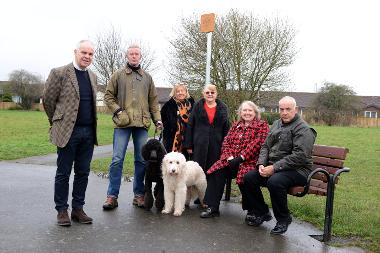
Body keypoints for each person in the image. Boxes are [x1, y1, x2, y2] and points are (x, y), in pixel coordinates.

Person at [43, 40, 98, 226]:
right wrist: (56, 121)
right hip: (68, 132)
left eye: (90, 54)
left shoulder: (93, 76)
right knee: (63, 172)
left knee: (83, 172)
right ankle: (61, 210)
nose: (87, 57)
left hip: (89, 132)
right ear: (76, 52)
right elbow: (48, 101)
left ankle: (78, 209)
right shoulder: (59, 73)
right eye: (84, 52)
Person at [243, 96, 317, 234]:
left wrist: (274, 168)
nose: (284, 112)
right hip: (276, 167)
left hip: (299, 170)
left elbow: (300, 156)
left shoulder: (304, 129)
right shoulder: (277, 124)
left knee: (275, 181)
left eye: (288, 109)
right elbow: (265, 146)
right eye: (281, 109)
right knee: (249, 177)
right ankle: (262, 212)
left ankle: (283, 219)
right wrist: (261, 164)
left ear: (296, 110)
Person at [102, 44, 162, 210]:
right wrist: (118, 111)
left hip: (142, 124)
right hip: (123, 123)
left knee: (141, 160)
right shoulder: (118, 75)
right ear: (126, 56)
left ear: (140, 56)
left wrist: (158, 120)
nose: (134, 56)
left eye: (137, 54)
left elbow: (154, 102)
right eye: (131, 54)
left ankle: (139, 195)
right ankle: (112, 196)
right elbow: (108, 96)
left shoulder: (147, 78)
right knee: (117, 159)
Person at [200, 101, 269, 218]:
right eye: (244, 110)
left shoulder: (262, 126)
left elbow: (257, 144)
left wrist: (240, 158)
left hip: (249, 162)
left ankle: (252, 211)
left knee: (246, 177)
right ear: (240, 113)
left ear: (255, 112)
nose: (247, 113)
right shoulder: (236, 125)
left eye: (250, 110)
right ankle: (212, 207)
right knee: (217, 171)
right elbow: (226, 142)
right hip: (231, 161)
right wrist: (229, 157)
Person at [184, 84, 230, 176]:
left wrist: (226, 147)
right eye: (207, 92)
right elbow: (190, 125)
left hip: (217, 145)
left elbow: (226, 129)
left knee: (213, 171)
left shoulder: (223, 108)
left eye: (212, 92)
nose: (210, 94)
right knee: (197, 172)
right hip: (199, 144)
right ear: (203, 94)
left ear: (216, 94)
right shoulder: (197, 106)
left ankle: (211, 190)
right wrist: (189, 145)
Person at [160, 83, 195, 158]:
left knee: (187, 162)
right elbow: (164, 122)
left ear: (186, 92)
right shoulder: (168, 106)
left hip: (189, 138)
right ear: (174, 93)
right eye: (178, 91)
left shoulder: (193, 104)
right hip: (173, 139)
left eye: (182, 91)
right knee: (172, 161)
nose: (180, 93)